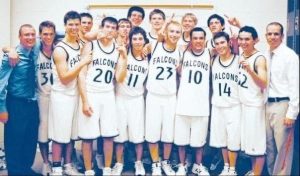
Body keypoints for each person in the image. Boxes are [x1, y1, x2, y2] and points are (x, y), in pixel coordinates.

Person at [78, 16, 125, 176]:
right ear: (101, 28)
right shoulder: (91, 45)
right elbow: (81, 75)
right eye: (108, 27)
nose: (110, 30)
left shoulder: (118, 49)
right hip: (91, 94)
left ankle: (106, 168)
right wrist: (84, 101)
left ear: (116, 30)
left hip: (107, 95)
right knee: (88, 137)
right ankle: (89, 170)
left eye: (113, 27)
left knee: (109, 136)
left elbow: (119, 77)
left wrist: (124, 58)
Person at [49, 10, 92, 175]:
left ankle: (68, 165)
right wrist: (82, 62)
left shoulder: (80, 44)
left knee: (71, 135)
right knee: (60, 135)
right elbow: (65, 78)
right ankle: (56, 168)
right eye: (71, 24)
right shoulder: (60, 49)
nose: (74, 27)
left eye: (77, 24)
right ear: (65, 26)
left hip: (75, 95)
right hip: (61, 96)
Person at [0, 24, 40, 175]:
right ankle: (15, 172)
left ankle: (25, 169)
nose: (30, 37)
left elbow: (57, 32)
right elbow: (1, 83)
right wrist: (1, 109)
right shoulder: (11, 56)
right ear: (19, 37)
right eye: (26, 35)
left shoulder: (34, 50)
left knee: (30, 139)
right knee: (14, 140)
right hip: (15, 103)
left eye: (32, 34)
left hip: (32, 103)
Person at [145, 20, 182, 175]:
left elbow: (181, 75)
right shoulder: (154, 45)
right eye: (171, 31)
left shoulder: (180, 52)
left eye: (177, 32)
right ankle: (155, 164)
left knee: (168, 134)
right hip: (153, 96)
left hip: (170, 97)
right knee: (152, 133)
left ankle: (165, 162)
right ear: (165, 32)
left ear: (180, 35)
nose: (174, 34)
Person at [112, 26, 149, 176]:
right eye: (134, 38)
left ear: (145, 40)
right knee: (119, 136)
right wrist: (125, 58)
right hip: (121, 98)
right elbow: (119, 78)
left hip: (137, 100)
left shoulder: (148, 56)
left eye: (140, 38)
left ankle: (138, 163)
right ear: (130, 40)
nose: (138, 41)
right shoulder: (122, 54)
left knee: (138, 135)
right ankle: (119, 163)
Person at [174, 27, 210, 176]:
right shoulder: (182, 52)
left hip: (201, 105)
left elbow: (230, 50)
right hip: (183, 103)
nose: (198, 41)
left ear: (205, 39)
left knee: (199, 141)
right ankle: (182, 166)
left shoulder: (210, 53)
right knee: (181, 140)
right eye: (195, 38)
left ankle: (198, 165)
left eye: (201, 38)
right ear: (190, 39)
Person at [265, 22, 299, 175]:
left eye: (276, 34)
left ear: (282, 36)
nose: (272, 37)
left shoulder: (289, 56)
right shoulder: (267, 53)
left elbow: (295, 85)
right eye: (269, 34)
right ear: (266, 36)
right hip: (267, 105)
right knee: (270, 147)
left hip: (283, 106)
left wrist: (291, 113)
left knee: (283, 149)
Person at [238, 26, 268, 175]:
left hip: (255, 107)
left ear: (255, 40)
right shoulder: (242, 54)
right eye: (241, 39)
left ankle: (257, 173)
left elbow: (263, 83)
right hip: (244, 105)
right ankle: (253, 171)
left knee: (258, 145)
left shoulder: (259, 58)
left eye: (247, 39)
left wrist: (250, 70)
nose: (243, 42)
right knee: (250, 145)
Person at [210, 31, 241, 176]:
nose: (220, 46)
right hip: (218, 105)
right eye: (217, 43)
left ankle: (233, 170)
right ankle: (226, 167)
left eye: (222, 42)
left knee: (233, 139)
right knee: (222, 139)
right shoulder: (213, 59)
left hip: (234, 105)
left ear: (229, 42)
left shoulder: (238, 60)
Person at [35, 21, 56, 176]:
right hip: (42, 96)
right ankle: (46, 163)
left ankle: (59, 162)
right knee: (43, 133)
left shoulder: (60, 50)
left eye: (51, 33)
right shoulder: (34, 52)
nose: (48, 37)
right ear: (40, 35)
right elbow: (12, 49)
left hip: (59, 97)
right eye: (45, 34)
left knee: (59, 132)